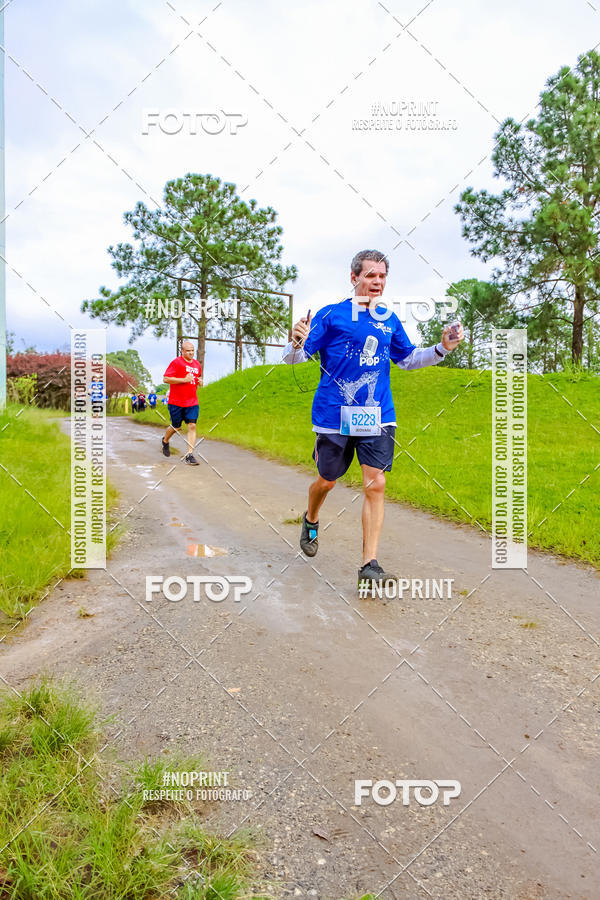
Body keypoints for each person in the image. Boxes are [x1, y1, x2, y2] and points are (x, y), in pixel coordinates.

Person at [282, 249, 464, 587]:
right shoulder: (331, 315)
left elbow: (407, 359)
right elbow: (295, 358)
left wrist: (441, 349)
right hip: (334, 415)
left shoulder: (389, 320)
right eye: (370, 275)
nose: (377, 282)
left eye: (382, 276)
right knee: (327, 480)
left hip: (376, 414)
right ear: (354, 278)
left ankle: (370, 565)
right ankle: (311, 517)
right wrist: (294, 342)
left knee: (375, 484)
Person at [161, 340, 202, 465]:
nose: (190, 353)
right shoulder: (176, 362)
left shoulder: (197, 364)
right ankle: (165, 441)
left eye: (192, 351)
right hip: (176, 402)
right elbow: (166, 378)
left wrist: (199, 381)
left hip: (192, 401)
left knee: (192, 426)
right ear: (182, 351)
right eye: (188, 351)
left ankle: (189, 455)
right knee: (176, 427)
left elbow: (196, 378)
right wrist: (183, 380)